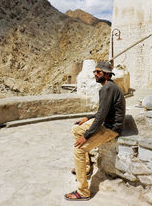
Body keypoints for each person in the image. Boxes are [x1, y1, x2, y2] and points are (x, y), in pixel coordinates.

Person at [64, 61, 126, 201]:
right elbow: (101, 112)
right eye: (94, 72)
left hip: (111, 128)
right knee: (76, 129)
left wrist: (86, 136)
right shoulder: (108, 86)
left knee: (79, 150)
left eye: (98, 72)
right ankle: (85, 169)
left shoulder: (108, 88)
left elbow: (101, 118)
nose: (95, 74)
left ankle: (83, 192)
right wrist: (88, 117)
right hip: (106, 123)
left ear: (106, 74)